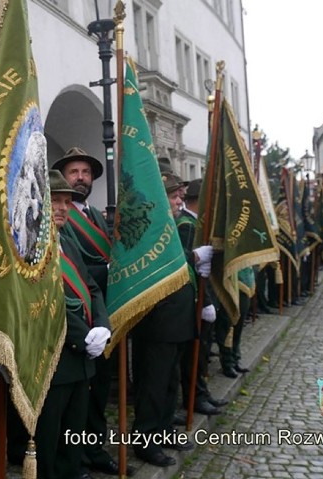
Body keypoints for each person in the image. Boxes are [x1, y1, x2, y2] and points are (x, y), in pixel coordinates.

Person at [51, 147, 132, 476]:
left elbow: (90, 279)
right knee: (65, 411)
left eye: (86, 172)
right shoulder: (60, 222)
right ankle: (77, 457)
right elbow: (81, 273)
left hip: (97, 316)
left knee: (96, 393)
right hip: (72, 330)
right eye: (74, 172)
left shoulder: (97, 216)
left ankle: (93, 450)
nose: (81, 178)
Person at [35, 170, 111, 479]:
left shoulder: (66, 237)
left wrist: (103, 324)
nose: (63, 208)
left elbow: (90, 286)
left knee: (74, 439)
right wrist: (84, 336)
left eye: (67, 201)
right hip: (55, 360)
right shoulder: (32, 246)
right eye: (55, 200)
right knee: (50, 443)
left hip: (82, 360)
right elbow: (43, 301)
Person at [130, 173, 209, 467]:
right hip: (157, 322)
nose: (179, 201)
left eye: (180, 195)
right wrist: (194, 257)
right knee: (153, 382)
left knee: (170, 381)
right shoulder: (150, 229)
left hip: (178, 319)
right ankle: (145, 439)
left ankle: (164, 429)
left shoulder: (172, 228)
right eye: (174, 196)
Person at [175, 179, 227, 422]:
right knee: (194, 352)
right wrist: (204, 300)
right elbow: (190, 267)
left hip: (201, 299)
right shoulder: (186, 225)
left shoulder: (195, 223)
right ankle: (194, 396)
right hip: (194, 299)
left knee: (203, 349)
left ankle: (201, 391)